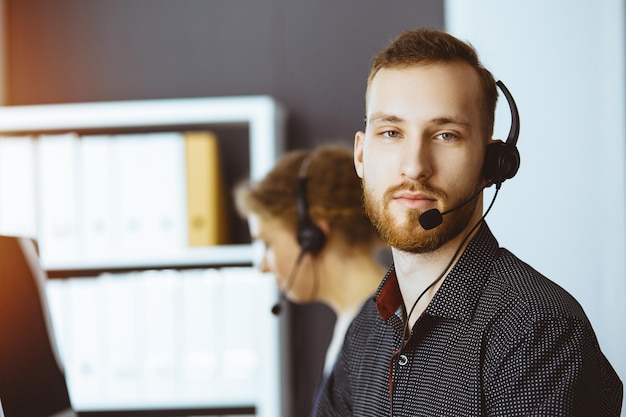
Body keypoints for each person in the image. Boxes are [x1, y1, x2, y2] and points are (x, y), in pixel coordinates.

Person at [313, 28, 623, 416]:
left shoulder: (537, 332)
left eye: (445, 135)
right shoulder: (365, 332)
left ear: (492, 164)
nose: (414, 166)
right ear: (361, 155)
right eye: (391, 132)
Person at [234, 144, 387, 377]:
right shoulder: (358, 326)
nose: (263, 266)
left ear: (311, 236)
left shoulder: (376, 337)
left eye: (267, 243)